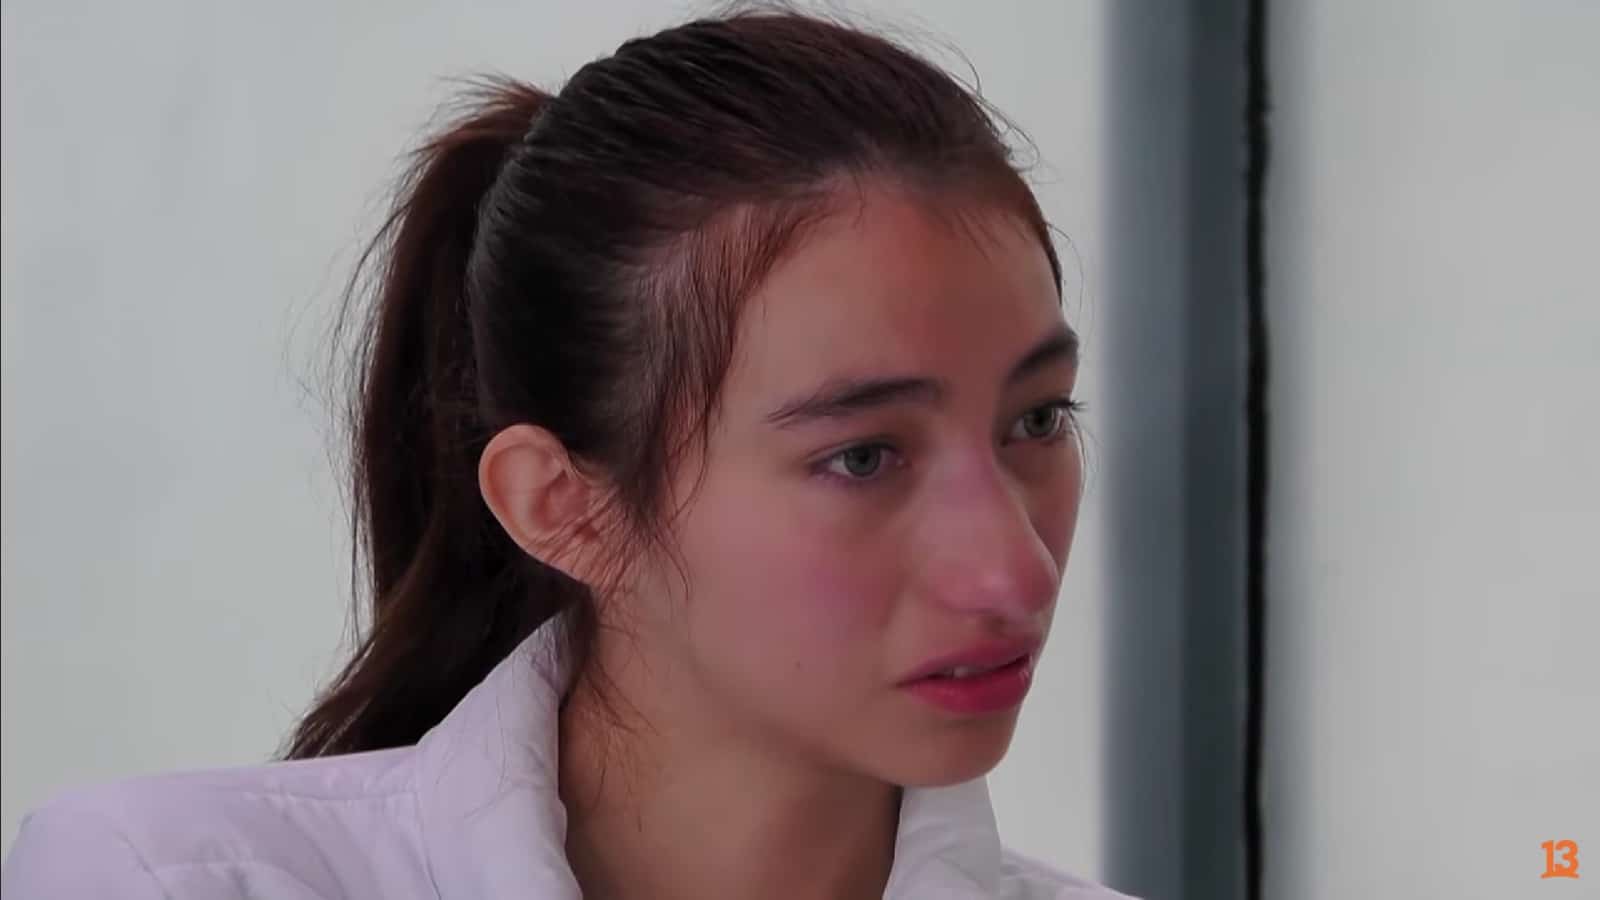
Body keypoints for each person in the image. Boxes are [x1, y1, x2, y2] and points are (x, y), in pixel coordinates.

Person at [2, 8, 1136, 899]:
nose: (1015, 571)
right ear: (563, 507)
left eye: (1037, 421)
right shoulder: (171, 882)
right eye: (864, 457)